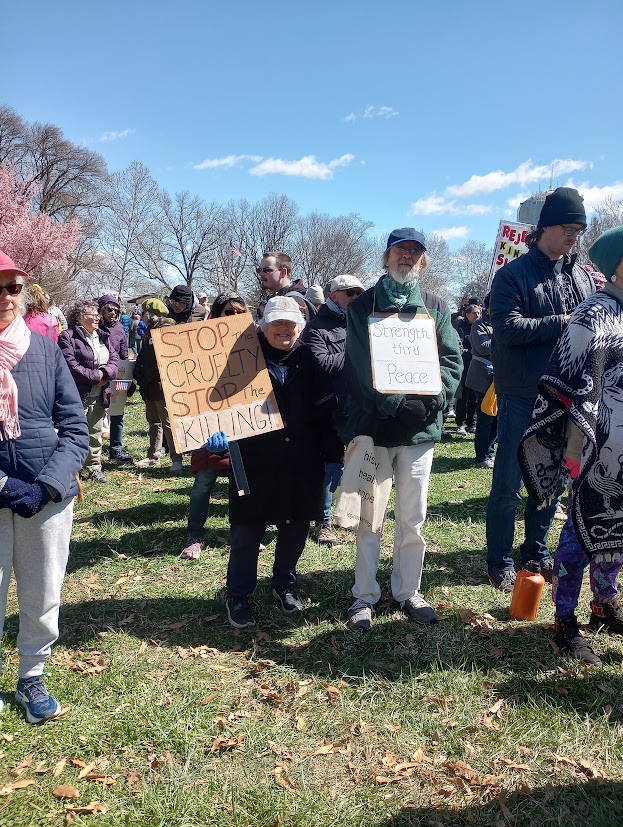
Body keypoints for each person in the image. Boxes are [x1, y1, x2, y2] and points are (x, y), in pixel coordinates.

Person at [341, 228, 463, 631]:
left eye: (414, 251)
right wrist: (396, 404)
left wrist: (433, 401)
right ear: (386, 257)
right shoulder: (362, 306)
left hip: (420, 433)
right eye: (400, 250)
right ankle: (364, 595)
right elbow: (360, 365)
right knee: (369, 519)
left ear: (422, 261)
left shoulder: (435, 306)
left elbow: (451, 360)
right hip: (376, 429)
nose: (406, 256)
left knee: (413, 518)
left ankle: (408, 590)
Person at [519, 227, 623, 665]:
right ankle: (564, 621)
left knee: (618, 529)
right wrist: (577, 450)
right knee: (581, 531)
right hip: (593, 446)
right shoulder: (593, 314)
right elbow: (566, 382)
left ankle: (604, 604)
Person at [486, 187, 594, 592]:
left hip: (568, 394)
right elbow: (506, 329)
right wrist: (563, 321)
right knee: (509, 481)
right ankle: (499, 560)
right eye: (568, 228)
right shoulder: (511, 275)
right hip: (522, 393)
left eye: (578, 231)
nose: (573, 236)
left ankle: (535, 551)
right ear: (544, 226)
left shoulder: (582, 276)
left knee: (552, 481)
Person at [0, 249, 88, 723]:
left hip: (46, 498)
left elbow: (75, 429)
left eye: (13, 287)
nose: (6, 296)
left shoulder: (46, 350)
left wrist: (47, 486)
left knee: (42, 592)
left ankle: (31, 676)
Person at [220, 296, 342, 629]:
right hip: (252, 460)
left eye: (290, 323)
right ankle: (238, 594)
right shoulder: (241, 359)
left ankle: (284, 584)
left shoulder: (309, 360)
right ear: (262, 326)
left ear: (300, 328)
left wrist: (334, 456)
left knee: (295, 527)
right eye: (276, 323)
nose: (284, 329)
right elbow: (215, 400)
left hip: (303, 461)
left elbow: (326, 412)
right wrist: (214, 430)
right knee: (247, 531)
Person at [180, 292, 249, 560]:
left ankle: (243, 533)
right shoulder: (199, 345)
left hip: (244, 424)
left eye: (240, 312)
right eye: (229, 312)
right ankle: (195, 536)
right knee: (203, 483)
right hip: (209, 425)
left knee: (242, 484)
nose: (234, 317)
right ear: (217, 314)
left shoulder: (253, 342)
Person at [302, 274, 364, 546]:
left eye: (359, 293)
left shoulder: (362, 323)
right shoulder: (316, 328)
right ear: (332, 295)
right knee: (330, 467)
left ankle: (349, 514)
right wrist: (357, 352)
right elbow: (322, 365)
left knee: (357, 464)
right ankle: (323, 522)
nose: (355, 298)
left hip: (360, 407)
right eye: (350, 293)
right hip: (330, 408)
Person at [58, 299, 119, 483]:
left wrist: (105, 375)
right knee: (73, 433)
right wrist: (96, 377)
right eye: (92, 314)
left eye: (97, 314)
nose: (97, 317)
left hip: (100, 394)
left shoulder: (102, 335)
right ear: (79, 317)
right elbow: (70, 365)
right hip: (77, 394)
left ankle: (93, 467)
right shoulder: (67, 337)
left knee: (95, 432)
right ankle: (70, 471)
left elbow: (114, 359)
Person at [133, 299, 184, 472]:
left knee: (168, 423)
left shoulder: (167, 329)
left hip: (163, 386)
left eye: (144, 313)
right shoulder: (150, 330)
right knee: (154, 422)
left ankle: (177, 459)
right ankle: (153, 457)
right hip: (150, 385)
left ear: (151, 313)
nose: (142, 317)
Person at [98, 294, 132, 463]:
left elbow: (124, 355)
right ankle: (93, 454)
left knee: (117, 414)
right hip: (99, 376)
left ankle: (115, 451)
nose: (112, 313)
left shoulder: (119, 330)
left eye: (116, 311)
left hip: (118, 376)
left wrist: (129, 379)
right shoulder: (94, 327)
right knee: (96, 414)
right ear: (101, 311)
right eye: (109, 310)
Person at [465, 294, 496, 468]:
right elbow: (483, 348)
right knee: (485, 417)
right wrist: (503, 336)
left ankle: (489, 451)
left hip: (500, 378)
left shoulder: (501, 322)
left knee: (496, 418)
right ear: (488, 308)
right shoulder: (479, 324)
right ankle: (481, 456)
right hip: (483, 378)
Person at [256, 251, 317, 319]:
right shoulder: (275, 300)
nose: (260, 274)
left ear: (283, 272)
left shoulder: (294, 303)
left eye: (267, 270)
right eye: (259, 270)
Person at [454, 303, 481, 435]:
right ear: (467, 314)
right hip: (464, 366)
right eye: (474, 313)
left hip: (476, 366)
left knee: (473, 397)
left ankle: (472, 423)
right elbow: (457, 347)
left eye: (479, 313)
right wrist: (471, 352)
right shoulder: (461, 327)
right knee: (462, 396)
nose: (477, 315)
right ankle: (461, 423)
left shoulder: (480, 327)